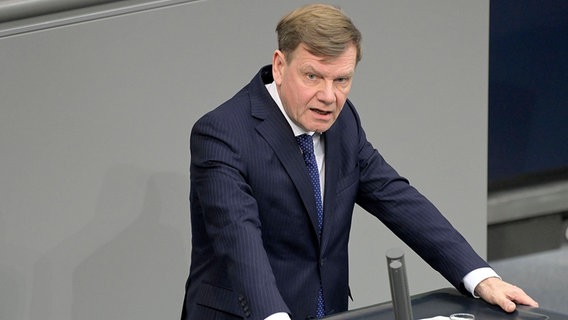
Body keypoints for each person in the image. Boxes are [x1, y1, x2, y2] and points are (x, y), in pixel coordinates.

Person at [181, 4, 538, 320]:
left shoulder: (344, 122)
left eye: (342, 80)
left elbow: (396, 197)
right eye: (312, 76)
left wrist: (479, 276)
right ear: (279, 65)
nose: (328, 96)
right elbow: (239, 239)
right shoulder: (222, 134)